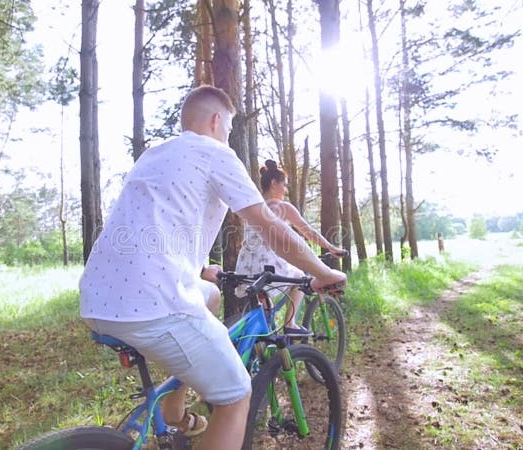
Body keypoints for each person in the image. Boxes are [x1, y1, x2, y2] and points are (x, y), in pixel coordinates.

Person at [79, 85, 347, 450]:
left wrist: (201, 267)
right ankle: (202, 404)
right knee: (237, 395)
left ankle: (174, 408)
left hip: (98, 299)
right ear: (217, 120)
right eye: (229, 127)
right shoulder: (215, 152)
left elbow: (157, 218)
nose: (228, 135)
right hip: (153, 305)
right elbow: (268, 225)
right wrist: (323, 271)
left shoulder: (153, 154)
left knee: (210, 296)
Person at [236, 160, 348, 336]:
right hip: (267, 265)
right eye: (284, 185)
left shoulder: (253, 207)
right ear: (274, 183)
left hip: (245, 266)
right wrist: (331, 248)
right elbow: (309, 232)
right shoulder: (282, 207)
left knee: (265, 314)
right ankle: (291, 323)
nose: (286, 190)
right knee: (301, 277)